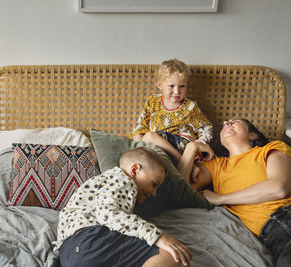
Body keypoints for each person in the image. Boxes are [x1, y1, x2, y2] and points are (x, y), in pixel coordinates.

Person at [177, 118, 291, 267]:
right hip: (268, 238)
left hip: (286, 216)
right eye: (224, 124)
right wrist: (191, 149)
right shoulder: (216, 165)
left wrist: (221, 198)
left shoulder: (271, 148)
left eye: (234, 121)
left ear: (253, 135)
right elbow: (179, 192)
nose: (226, 124)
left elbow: (279, 187)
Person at [53, 147, 192, 267]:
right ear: (135, 170)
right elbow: (109, 214)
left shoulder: (104, 183)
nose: (154, 193)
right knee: (174, 257)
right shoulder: (123, 180)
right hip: (90, 241)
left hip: (68, 255)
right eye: (154, 184)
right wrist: (157, 236)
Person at [131, 58, 212, 178]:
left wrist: (201, 142)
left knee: (149, 136)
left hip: (182, 146)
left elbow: (205, 127)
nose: (177, 91)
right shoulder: (152, 101)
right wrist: (138, 144)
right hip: (159, 146)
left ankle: (183, 163)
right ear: (159, 84)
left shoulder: (190, 107)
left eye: (182, 86)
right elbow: (141, 125)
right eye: (171, 86)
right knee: (140, 144)